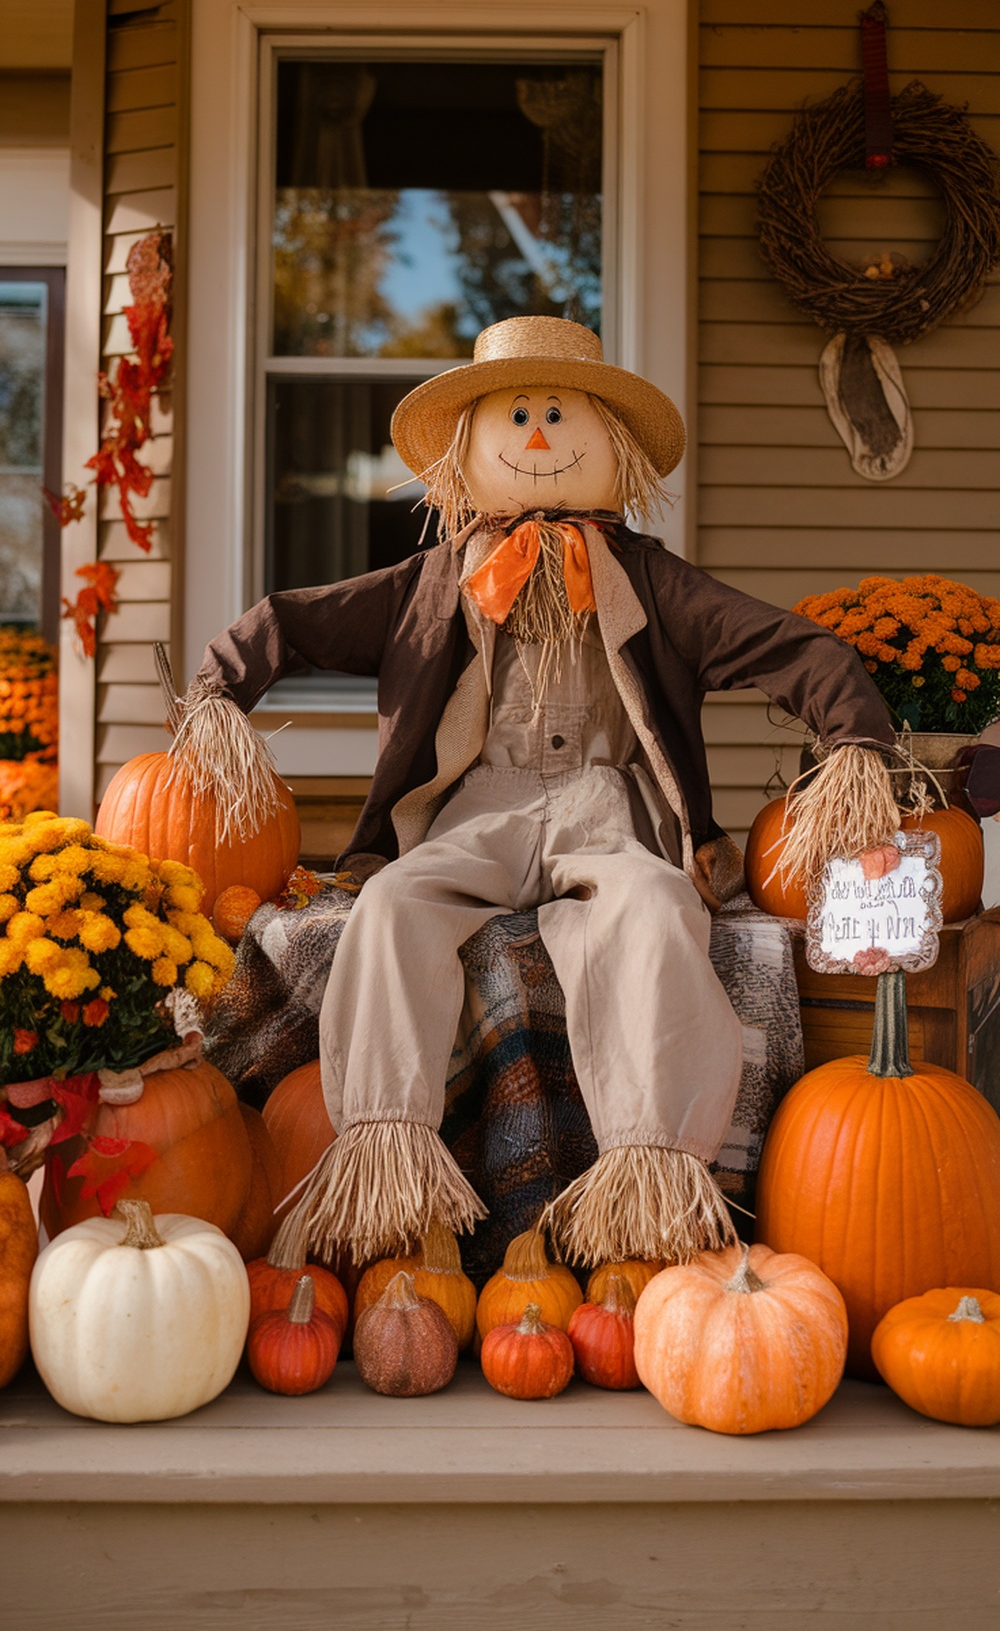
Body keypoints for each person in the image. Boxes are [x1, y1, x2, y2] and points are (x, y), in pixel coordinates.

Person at [186, 316, 898, 1266]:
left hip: (608, 805)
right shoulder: (437, 580)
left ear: (611, 444)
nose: (533, 436)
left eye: (557, 415)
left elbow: (786, 643)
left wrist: (855, 738)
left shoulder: (649, 579)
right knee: (394, 903)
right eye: (514, 416)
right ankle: (388, 1157)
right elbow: (295, 619)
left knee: (651, 904)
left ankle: (651, 1173)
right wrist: (218, 690)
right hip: (478, 802)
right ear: (466, 450)